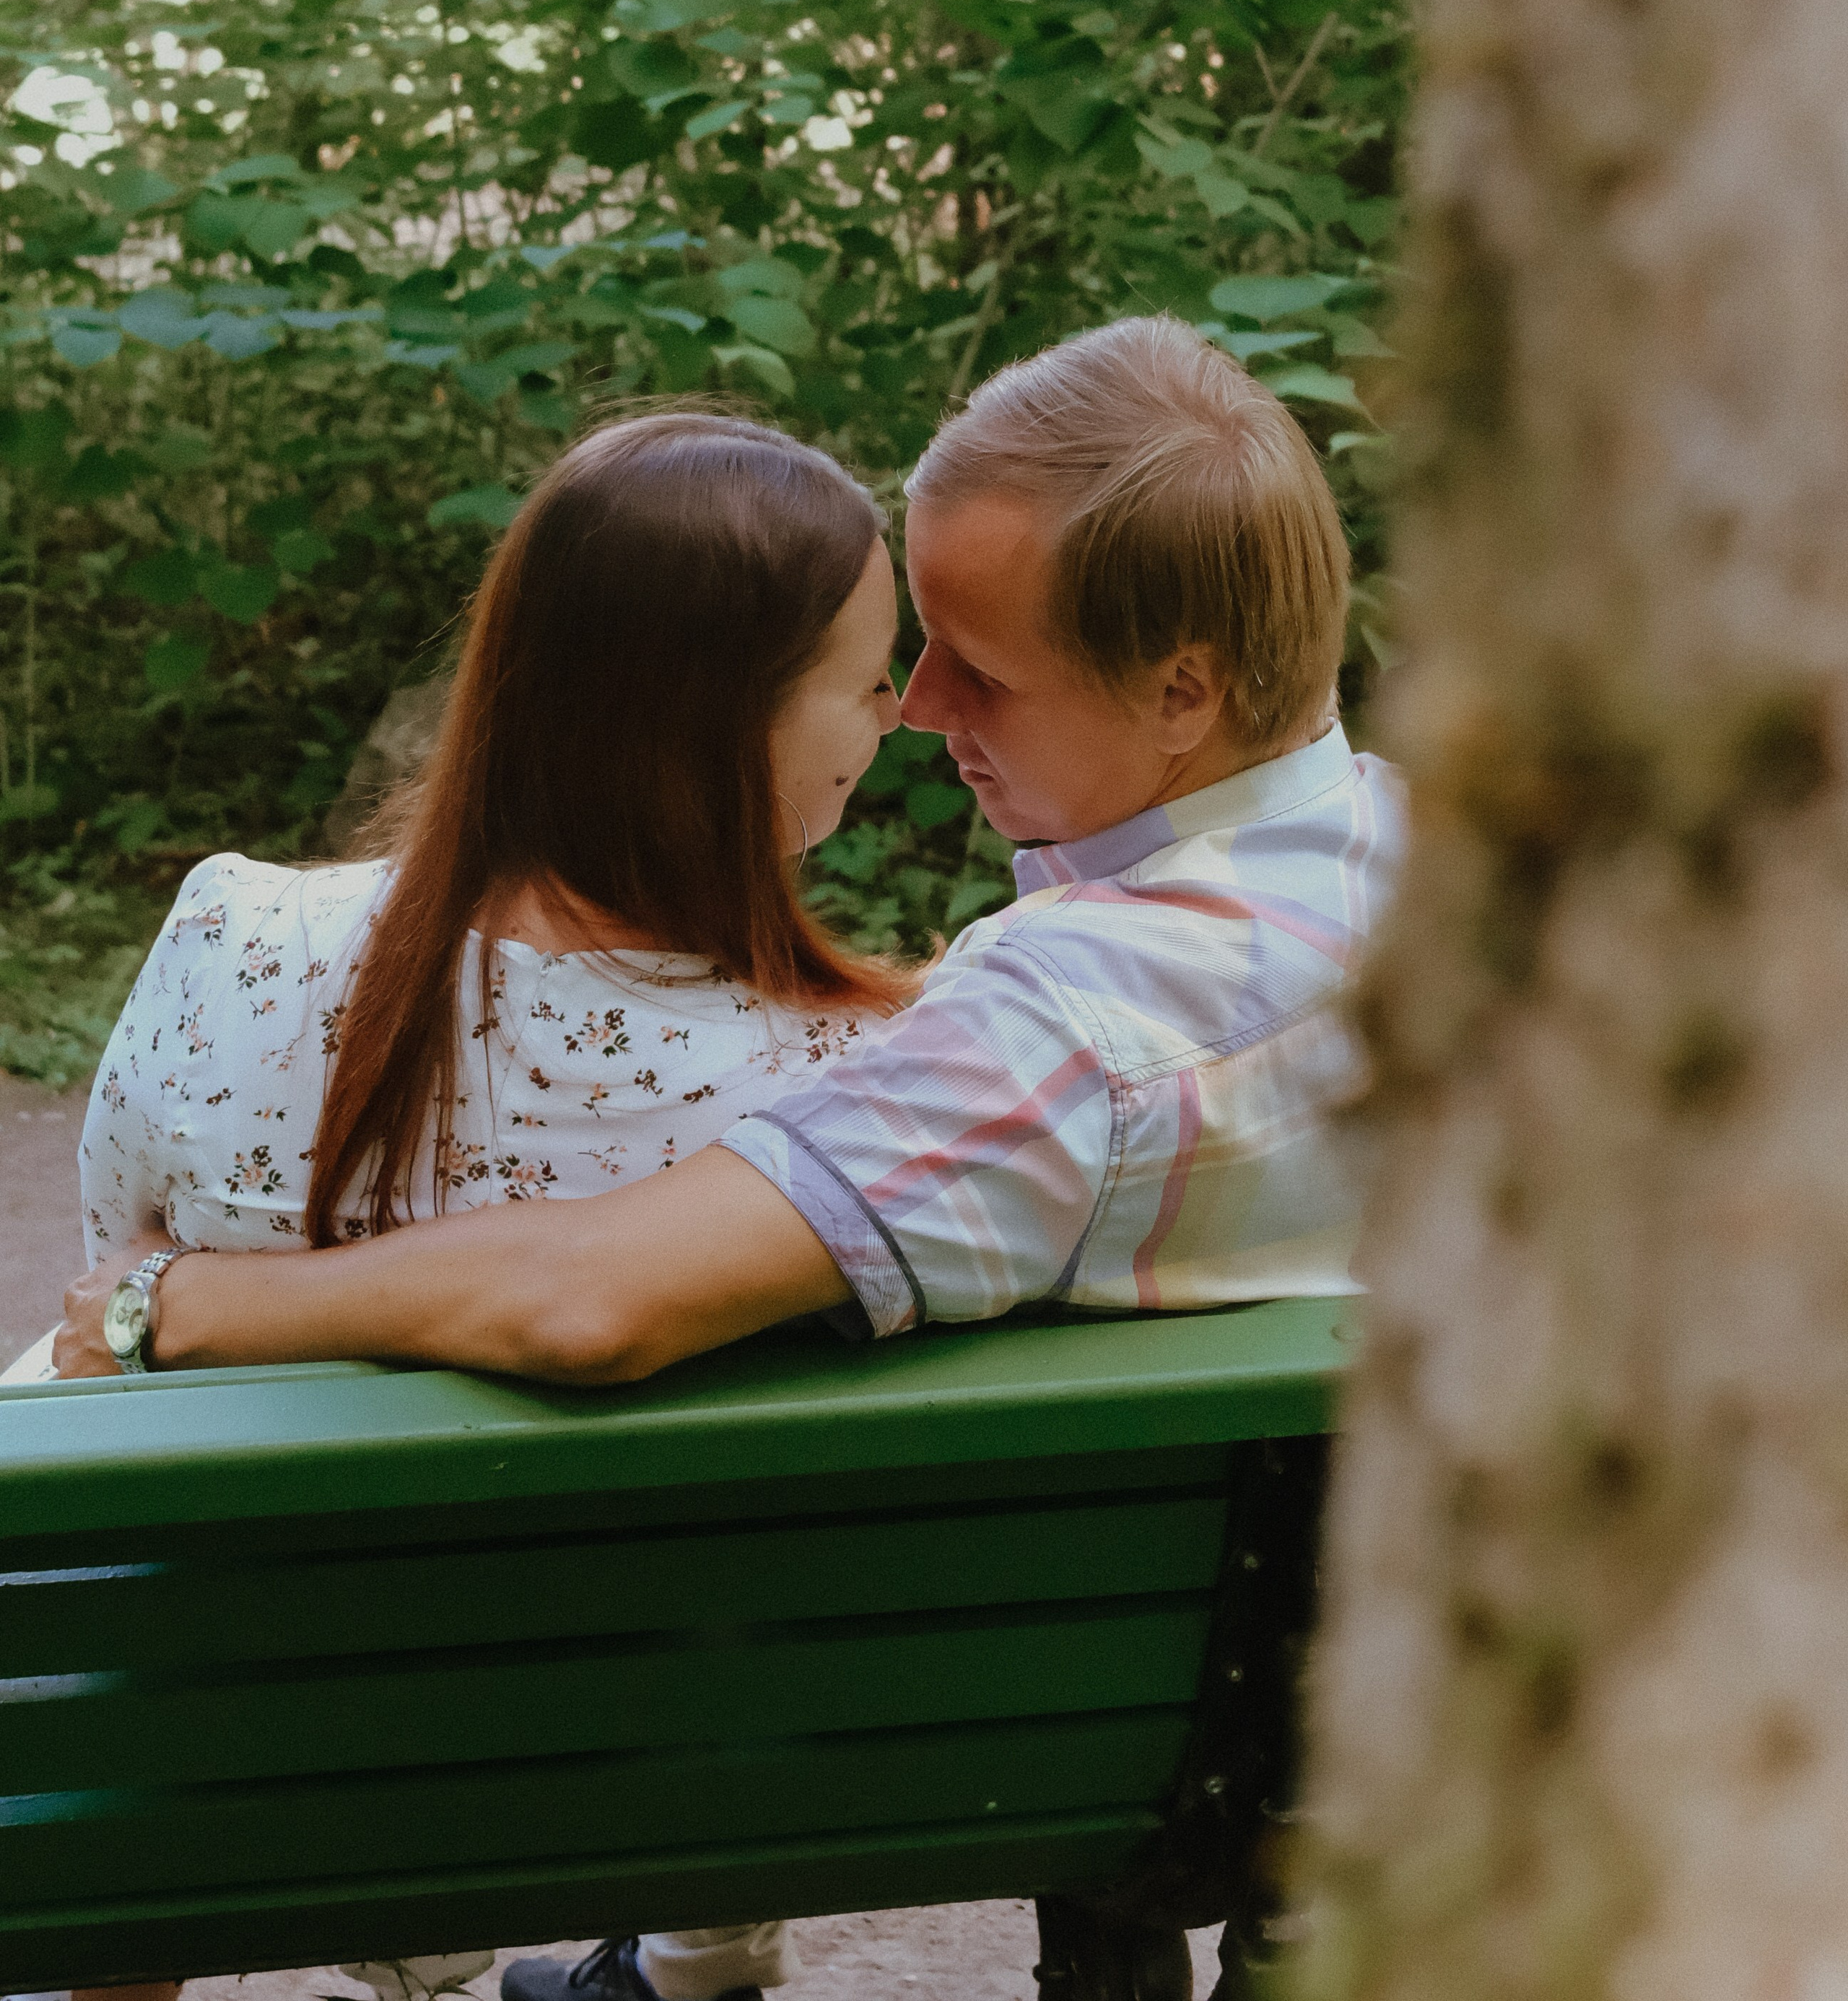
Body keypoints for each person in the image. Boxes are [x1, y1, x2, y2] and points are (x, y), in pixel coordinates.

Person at [56, 315, 1405, 2001]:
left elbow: (595, 1305)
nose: (917, 708)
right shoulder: (1453, 872)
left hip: (1132, 1758)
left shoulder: (1061, 1041)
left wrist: (174, 1309)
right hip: (1353, 1729)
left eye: (976, 666)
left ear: (1182, 690)